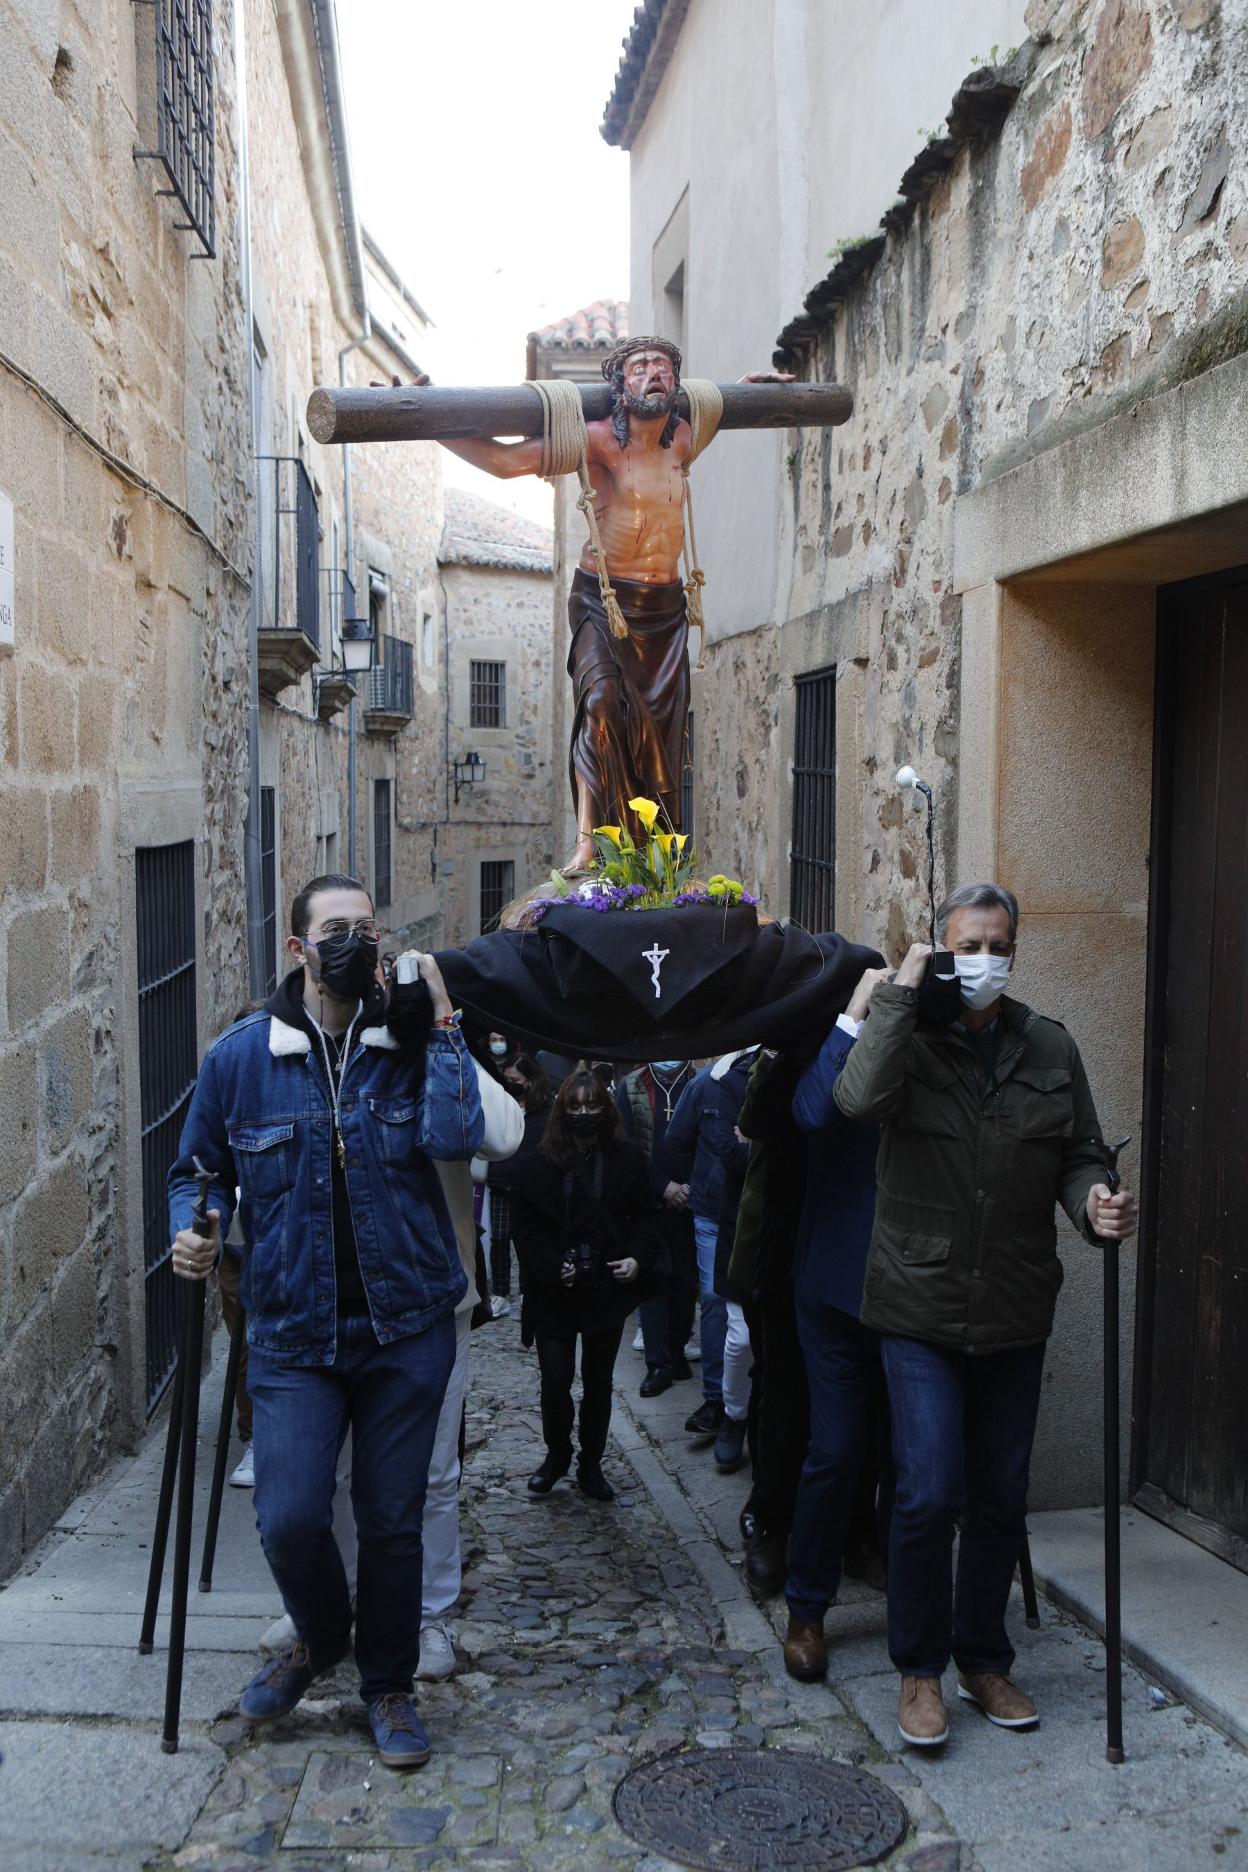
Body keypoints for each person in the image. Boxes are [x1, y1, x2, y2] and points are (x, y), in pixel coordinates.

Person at [168, 874, 482, 1771]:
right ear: (299, 950)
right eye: (336, 929)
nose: (357, 942)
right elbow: (198, 1171)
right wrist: (198, 1230)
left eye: (367, 929)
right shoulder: (240, 1059)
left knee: (390, 1522)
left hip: (405, 1327)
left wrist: (446, 1020)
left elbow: (457, 1135)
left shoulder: (410, 1044)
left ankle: (387, 1685)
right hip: (293, 1335)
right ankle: (319, 1636)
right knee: (289, 1515)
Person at [834, 883, 1138, 1748]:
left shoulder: (1049, 1046)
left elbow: (1079, 1151)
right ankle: (919, 1671)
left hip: (1012, 1302)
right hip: (918, 1304)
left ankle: (983, 1660)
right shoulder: (909, 1038)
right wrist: (903, 990)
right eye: (967, 945)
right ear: (941, 947)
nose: (985, 960)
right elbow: (854, 1101)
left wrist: (1093, 1207)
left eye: (998, 944)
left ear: (1015, 949)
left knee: (1002, 1498)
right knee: (929, 1492)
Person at [411, 338, 793, 868]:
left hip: (663, 613)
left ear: (676, 383)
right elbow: (503, 461)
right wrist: (431, 420)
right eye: (640, 368)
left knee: (662, 742)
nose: (653, 374)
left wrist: (752, 390)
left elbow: (722, 408)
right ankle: (590, 843)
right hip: (604, 601)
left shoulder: (682, 438)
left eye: (663, 367)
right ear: (622, 385)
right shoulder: (596, 443)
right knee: (601, 704)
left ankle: (656, 858)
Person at [781, 965, 894, 1681]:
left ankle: (896, 1581)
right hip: (835, 1290)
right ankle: (807, 1608)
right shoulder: (838, 1049)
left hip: (918, 1293)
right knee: (836, 1448)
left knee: (912, 1456)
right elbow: (813, 1111)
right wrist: (858, 1010)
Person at [509, 1065, 663, 1501]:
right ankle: (557, 1455)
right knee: (555, 1381)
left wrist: (636, 1258)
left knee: (599, 1382)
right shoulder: (537, 1160)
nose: (584, 1113)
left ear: (605, 1109)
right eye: (576, 1106)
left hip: (604, 1288)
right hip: (553, 1291)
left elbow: (646, 1216)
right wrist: (551, 1265)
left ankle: (591, 1465)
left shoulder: (626, 1157)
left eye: (592, 1105)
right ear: (563, 1110)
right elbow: (526, 1229)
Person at [419, 1060, 523, 1681]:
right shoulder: (305, 1044)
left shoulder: (439, 1045)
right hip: (341, 1295)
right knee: (339, 1467)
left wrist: (442, 1024)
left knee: (435, 1469)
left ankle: (430, 1612)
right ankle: (335, 1599)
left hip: (438, 1293)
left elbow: (505, 1134)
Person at [666, 1048, 758, 1466]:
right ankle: (717, 1402)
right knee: (716, 1302)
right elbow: (678, 1140)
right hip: (714, 1211)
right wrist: (700, 1183)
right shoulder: (709, 1083)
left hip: (757, 1213)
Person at [616, 1058, 697, 1396]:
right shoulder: (632, 1085)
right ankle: (657, 1364)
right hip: (649, 1200)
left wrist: (690, 1186)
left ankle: (677, 1352)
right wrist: (662, 1185)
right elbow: (625, 1146)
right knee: (653, 1281)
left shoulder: (700, 1081)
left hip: (690, 1200)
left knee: (685, 1282)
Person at [485, 1054, 551, 1305]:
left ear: (531, 1081)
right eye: (507, 1079)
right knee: (499, 1238)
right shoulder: (499, 1103)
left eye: (516, 1079)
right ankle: (500, 1293)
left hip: (530, 1184)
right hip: (501, 1178)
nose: (511, 1083)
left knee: (527, 1239)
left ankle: (527, 1290)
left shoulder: (545, 1108)